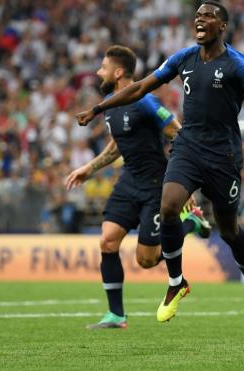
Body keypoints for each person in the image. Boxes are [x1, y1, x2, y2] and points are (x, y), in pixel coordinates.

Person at [76, 1, 244, 328]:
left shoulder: (239, 65)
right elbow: (140, 87)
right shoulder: (183, 58)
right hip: (188, 147)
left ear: (222, 26)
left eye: (208, 16)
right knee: (168, 206)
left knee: (229, 231)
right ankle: (176, 283)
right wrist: (98, 109)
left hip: (223, 156)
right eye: (197, 15)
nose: (200, 20)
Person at [66, 45, 210, 329]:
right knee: (107, 241)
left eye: (103, 68)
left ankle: (190, 223)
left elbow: (177, 133)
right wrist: (89, 168)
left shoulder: (146, 102)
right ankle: (116, 315)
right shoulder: (110, 104)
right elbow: (118, 146)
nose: (98, 72)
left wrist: (183, 184)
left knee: (146, 260)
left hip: (156, 186)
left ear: (118, 72)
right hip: (128, 181)